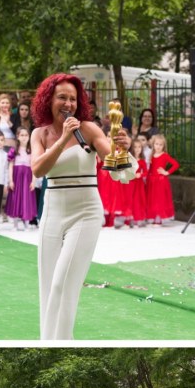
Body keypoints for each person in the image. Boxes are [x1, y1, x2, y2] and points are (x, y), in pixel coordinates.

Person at [31, 74, 118, 340]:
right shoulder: (40, 134)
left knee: (63, 283)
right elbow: (38, 169)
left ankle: (61, 342)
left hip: (86, 213)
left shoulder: (89, 129)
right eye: (62, 97)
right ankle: (49, 343)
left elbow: (112, 161)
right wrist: (62, 138)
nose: (68, 103)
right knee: (47, 286)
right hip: (52, 212)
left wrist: (120, 150)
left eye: (73, 98)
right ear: (49, 100)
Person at [5, 128, 37, 231]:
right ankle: (15, 225)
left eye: (26, 135)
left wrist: (33, 181)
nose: (24, 137)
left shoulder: (32, 150)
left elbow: (34, 167)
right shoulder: (14, 150)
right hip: (16, 177)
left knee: (26, 199)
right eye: (21, 135)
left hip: (27, 178)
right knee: (16, 199)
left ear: (29, 137)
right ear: (18, 137)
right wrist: (10, 180)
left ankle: (26, 224)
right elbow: (10, 166)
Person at [145, 133, 179, 225]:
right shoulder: (151, 155)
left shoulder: (164, 155)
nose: (158, 146)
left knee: (160, 199)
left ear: (164, 146)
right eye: (156, 144)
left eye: (160, 145)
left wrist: (166, 172)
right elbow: (150, 168)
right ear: (153, 144)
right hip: (152, 180)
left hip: (161, 181)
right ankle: (153, 217)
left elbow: (176, 164)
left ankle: (159, 219)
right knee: (152, 199)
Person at [130, 136, 148, 227]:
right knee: (131, 200)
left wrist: (140, 175)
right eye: (135, 147)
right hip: (131, 183)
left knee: (139, 200)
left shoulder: (142, 161)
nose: (137, 149)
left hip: (139, 184)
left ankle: (139, 218)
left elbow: (145, 172)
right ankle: (131, 218)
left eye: (139, 147)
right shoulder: (130, 159)